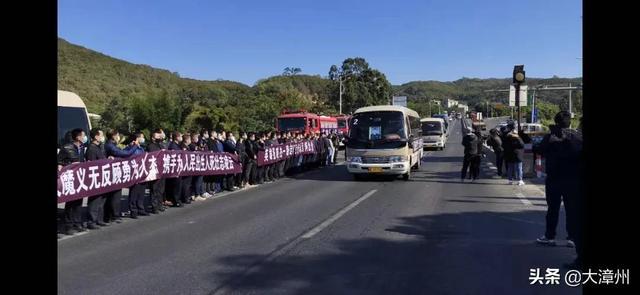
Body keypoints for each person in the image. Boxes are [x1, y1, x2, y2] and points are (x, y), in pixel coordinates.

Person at [536, 111, 583, 263]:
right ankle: (572, 238)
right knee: (572, 210)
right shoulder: (576, 137)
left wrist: (554, 142)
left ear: (556, 122)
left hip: (555, 179)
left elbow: (539, 151)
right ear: (570, 122)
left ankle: (550, 236)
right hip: (572, 180)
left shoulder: (550, 137)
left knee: (553, 209)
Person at [58, 128, 88, 235]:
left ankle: (77, 223)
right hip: (70, 178)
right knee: (70, 202)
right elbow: (59, 163)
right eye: (83, 135)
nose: (85, 137)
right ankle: (68, 225)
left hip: (79, 178)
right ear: (78, 137)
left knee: (78, 201)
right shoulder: (66, 148)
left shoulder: (82, 147)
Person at [104, 129, 137, 223]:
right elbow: (125, 154)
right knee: (115, 196)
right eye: (118, 135)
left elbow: (121, 152)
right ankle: (114, 215)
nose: (119, 137)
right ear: (113, 136)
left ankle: (111, 215)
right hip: (112, 173)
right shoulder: (110, 145)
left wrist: (129, 146)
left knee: (115, 195)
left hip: (115, 172)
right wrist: (135, 146)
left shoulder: (112, 145)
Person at [84, 128, 110, 229]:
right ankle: (92, 221)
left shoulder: (100, 147)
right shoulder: (92, 148)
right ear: (95, 136)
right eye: (101, 135)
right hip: (95, 177)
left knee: (102, 199)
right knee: (95, 200)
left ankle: (99, 219)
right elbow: (92, 164)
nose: (102, 137)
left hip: (103, 176)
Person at [124, 132, 148, 219]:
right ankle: (133, 210)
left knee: (141, 192)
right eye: (142, 137)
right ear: (136, 139)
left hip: (142, 172)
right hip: (134, 174)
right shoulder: (129, 149)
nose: (143, 139)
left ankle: (140, 208)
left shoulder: (141, 148)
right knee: (134, 193)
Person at [147, 129, 167, 213]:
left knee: (161, 189)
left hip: (162, 169)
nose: (159, 137)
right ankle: (154, 206)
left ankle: (160, 204)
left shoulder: (161, 145)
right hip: (154, 170)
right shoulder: (151, 146)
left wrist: (162, 136)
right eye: (157, 136)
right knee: (154, 188)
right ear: (153, 138)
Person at [166, 131, 184, 207]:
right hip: (174, 168)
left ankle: (177, 199)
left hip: (178, 167)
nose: (181, 138)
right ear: (176, 137)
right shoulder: (173, 146)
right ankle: (175, 200)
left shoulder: (178, 145)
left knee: (178, 185)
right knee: (176, 185)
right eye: (180, 136)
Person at [180, 133, 194, 203]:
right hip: (185, 167)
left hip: (189, 166)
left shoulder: (188, 147)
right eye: (189, 139)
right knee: (185, 184)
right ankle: (185, 198)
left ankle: (187, 196)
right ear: (186, 140)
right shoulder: (183, 146)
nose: (190, 141)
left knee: (188, 183)